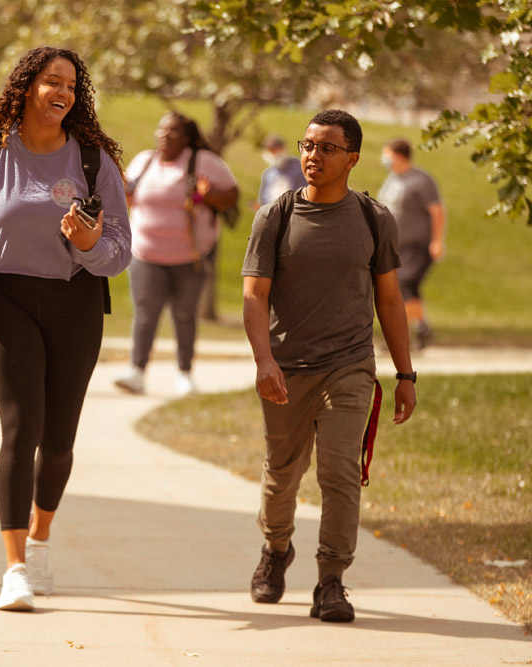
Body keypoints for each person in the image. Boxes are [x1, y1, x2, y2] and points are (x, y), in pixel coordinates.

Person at [0, 46, 131, 611]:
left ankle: (39, 540)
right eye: (50, 81)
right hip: (6, 299)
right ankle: (13, 568)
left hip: (76, 303)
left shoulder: (91, 162)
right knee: (22, 428)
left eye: (70, 84)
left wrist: (87, 246)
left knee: (59, 439)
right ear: (26, 87)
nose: (61, 92)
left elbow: (118, 250)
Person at [241, 109, 417, 623]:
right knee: (282, 476)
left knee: (340, 473)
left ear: (353, 158)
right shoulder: (276, 216)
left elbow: (390, 300)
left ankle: (332, 581)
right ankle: (276, 550)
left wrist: (405, 375)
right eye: (308, 145)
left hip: (350, 365)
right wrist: (264, 360)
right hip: (286, 369)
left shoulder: (373, 218)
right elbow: (254, 295)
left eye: (326, 148)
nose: (313, 156)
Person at [113, 112, 238, 396]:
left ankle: (184, 375)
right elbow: (128, 195)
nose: (164, 135)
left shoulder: (203, 162)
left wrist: (204, 196)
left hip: (190, 255)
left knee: (184, 316)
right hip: (145, 253)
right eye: (162, 130)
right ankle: (137, 372)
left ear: (187, 137)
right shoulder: (145, 161)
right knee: (145, 314)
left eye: (173, 131)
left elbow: (231, 195)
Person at [378, 138, 446, 349]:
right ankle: (422, 328)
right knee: (408, 288)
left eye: (387, 155)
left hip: (418, 245)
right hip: (397, 247)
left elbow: (437, 210)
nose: (385, 160)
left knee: (403, 284)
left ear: (399, 156)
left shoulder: (421, 180)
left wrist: (437, 241)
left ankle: (400, 338)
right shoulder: (392, 180)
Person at [257, 134, 307, 206]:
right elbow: (263, 200)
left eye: (274, 151)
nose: (272, 155)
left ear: (282, 149)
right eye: (270, 151)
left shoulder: (298, 168)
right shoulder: (268, 174)